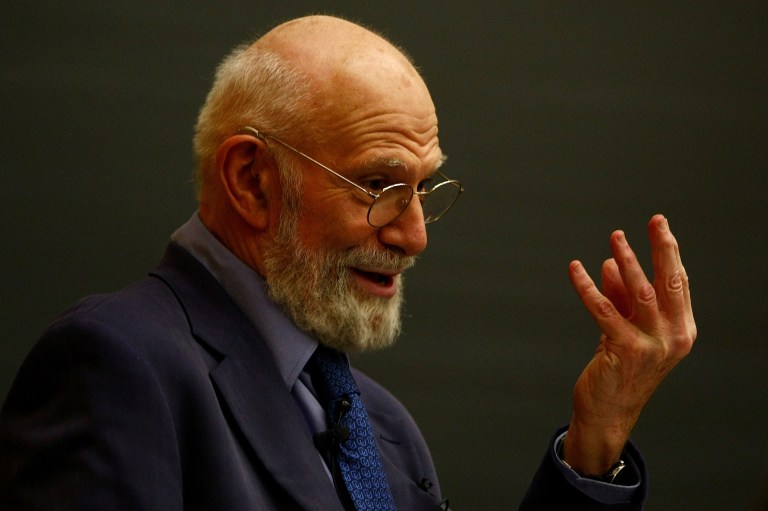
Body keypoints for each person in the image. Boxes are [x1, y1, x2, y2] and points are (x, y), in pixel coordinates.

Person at [0, 14, 695, 511]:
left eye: (424, 189)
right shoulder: (118, 364)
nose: (416, 235)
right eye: (381, 186)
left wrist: (594, 442)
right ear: (252, 180)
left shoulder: (381, 428)